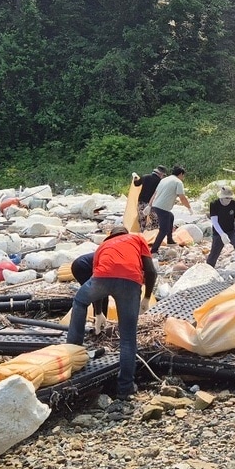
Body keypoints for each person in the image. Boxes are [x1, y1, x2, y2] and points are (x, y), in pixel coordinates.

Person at [65, 227, 156, 398]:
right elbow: (151, 271)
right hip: (130, 283)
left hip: (102, 279)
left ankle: (73, 351)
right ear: (125, 233)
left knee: (79, 301)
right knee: (128, 339)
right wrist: (147, 297)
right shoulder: (136, 238)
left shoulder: (103, 246)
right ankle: (125, 388)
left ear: (111, 235)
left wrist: (98, 313)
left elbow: (97, 277)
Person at [148, 166, 191, 254]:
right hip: (162, 208)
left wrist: (149, 205)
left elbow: (155, 193)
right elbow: (182, 198)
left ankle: (170, 240)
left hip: (156, 205)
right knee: (163, 230)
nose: (183, 178)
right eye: (183, 176)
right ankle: (154, 250)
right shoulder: (178, 182)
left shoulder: (164, 180)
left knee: (170, 216)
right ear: (181, 174)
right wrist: (189, 208)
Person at [132, 166, 167, 230]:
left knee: (142, 220)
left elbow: (136, 184)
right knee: (155, 221)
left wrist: (135, 177)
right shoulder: (160, 181)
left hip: (141, 202)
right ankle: (151, 234)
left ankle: (142, 234)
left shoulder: (145, 177)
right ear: (161, 174)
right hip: (152, 204)